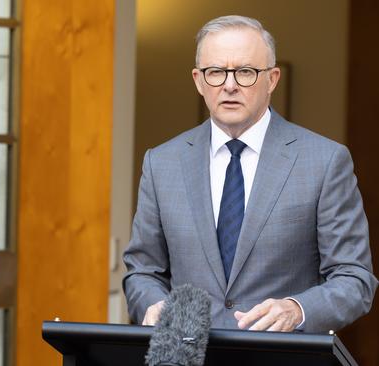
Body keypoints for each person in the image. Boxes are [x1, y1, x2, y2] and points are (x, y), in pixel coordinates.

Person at [123, 15, 377, 333]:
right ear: (198, 80)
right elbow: (142, 271)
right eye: (215, 72)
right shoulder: (162, 163)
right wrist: (152, 304)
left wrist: (297, 310)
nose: (229, 85)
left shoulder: (325, 162)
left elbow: (355, 280)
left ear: (272, 79)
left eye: (245, 72)